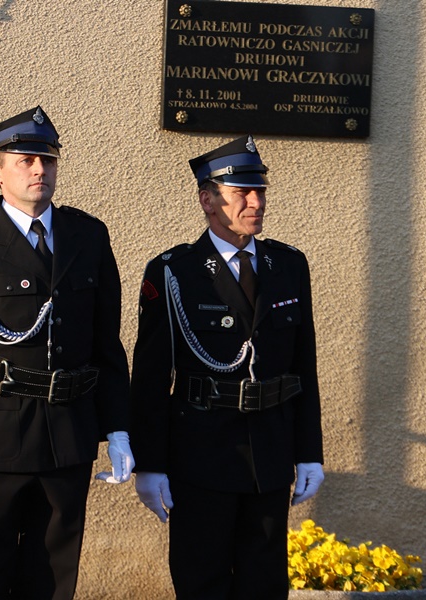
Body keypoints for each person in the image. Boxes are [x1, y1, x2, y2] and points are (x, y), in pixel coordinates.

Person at [0, 106, 134, 599]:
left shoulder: (88, 236)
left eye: (48, 159)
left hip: (69, 434)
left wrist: (118, 428)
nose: (40, 169)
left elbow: (106, 344)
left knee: (55, 580)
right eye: (25, 160)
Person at [130, 135, 324, 599]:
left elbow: (304, 367)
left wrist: (309, 452)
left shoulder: (288, 265)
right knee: (203, 582)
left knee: (265, 584)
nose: (256, 202)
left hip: (270, 454)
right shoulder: (174, 271)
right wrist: (150, 464)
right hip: (201, 455)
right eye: (242, 192)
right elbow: (150, 378)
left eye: (260, 191)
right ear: (208, 200)